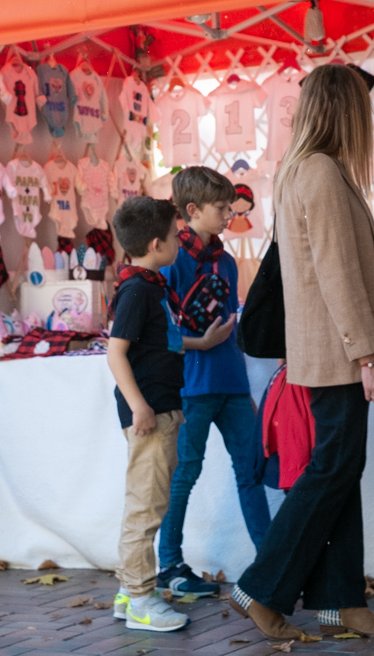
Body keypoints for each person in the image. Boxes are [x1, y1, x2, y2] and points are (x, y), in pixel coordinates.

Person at [230, 65, 374, 639]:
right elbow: (336, 274)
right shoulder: (321, 173)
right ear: (344, 110)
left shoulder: (304, 170)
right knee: (333, 468)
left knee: (340, 469)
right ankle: (261, 587)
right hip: (336, 353)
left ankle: (341, 601)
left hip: (326, 349)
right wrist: (366, 355)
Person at [107, 196, 235, 632]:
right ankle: (142, 599)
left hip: (165, 407)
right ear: (158, 243)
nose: (182, 242)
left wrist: (201, 343)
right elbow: (116, 352)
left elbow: (163, 341)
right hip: (152, 412)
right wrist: (140, 405)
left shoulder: (150, 285)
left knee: (148, 503)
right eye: (175, 234)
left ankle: (130, 591)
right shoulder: (138, 290)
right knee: (145, 509)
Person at [156, 166, 271, 597]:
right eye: (222, 207)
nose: (229, 215)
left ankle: (271, 562)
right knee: (184, 474)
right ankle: (170, 565)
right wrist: (200, 343)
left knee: (252, 469)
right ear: (192, 210)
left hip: (232, 384)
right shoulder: (169, 260)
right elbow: (161, 334)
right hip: (191, 387)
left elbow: (231, 321)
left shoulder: (225, 261)